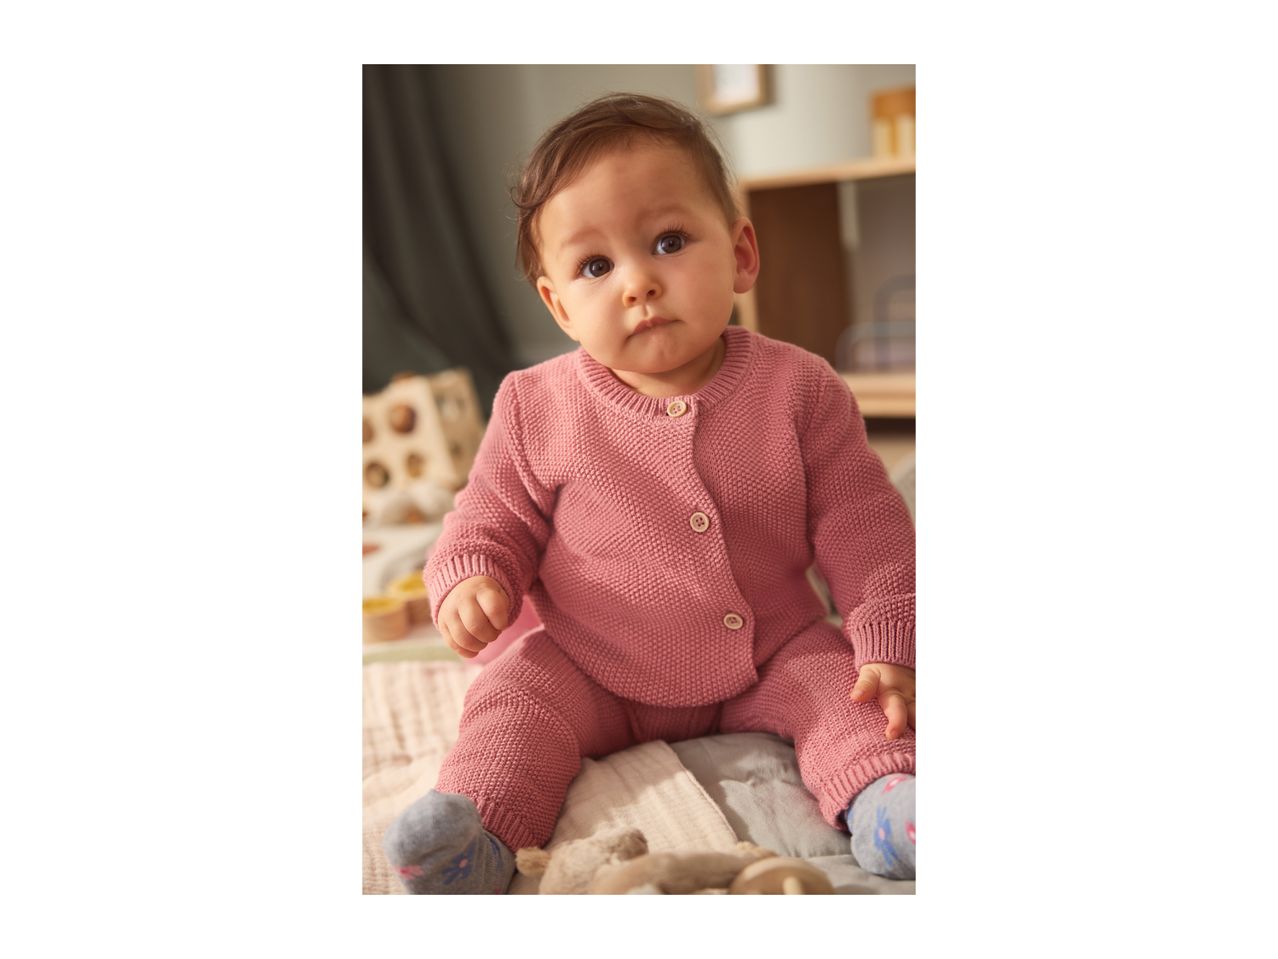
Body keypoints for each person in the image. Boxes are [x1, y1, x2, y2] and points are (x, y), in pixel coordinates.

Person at [384, 93, 916, 894]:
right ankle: (478, 833)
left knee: (849, 693)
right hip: (588, 655)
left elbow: (866, 529)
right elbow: (488, 513)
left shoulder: (800, 389)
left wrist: (890, 638)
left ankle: (888, 801)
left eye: (668, 242)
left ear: (741, 253)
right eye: (596, 266)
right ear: (558, 304)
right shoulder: (536, 405)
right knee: (513, 702)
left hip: (770, 646)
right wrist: (471, 574)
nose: (638, 283)